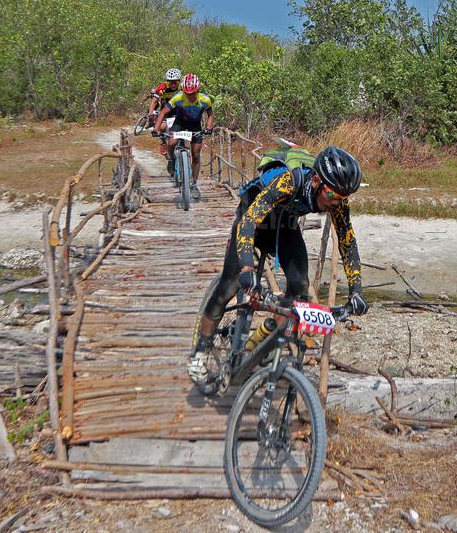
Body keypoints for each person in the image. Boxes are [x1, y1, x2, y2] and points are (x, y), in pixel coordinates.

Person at [188, 146, 369, 384]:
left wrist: (356, 290)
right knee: (229, 286)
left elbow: (347, 240)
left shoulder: (337, 200)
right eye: (333, 196)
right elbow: (249, 221)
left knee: (300, 289)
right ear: (315, 181)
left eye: (344, 198)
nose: (337, 203)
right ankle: (201, 349)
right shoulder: (287, 182)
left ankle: (267, 341)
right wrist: (246, 268)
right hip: (252, 220)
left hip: (285, 226)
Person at [154, 73, 213, 190]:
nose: (190, 96)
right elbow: (163, 112)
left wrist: (208, 128)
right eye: (187, 93)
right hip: (179, 122)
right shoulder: (178, 98)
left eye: (193, 93)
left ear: (198, 90)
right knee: (171, 142)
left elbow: (210, 114)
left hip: (195, 125)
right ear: (183, 91)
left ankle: (194, 184)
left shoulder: (205, 99)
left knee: (196, 155)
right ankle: (171, 159)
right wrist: (156, 129)